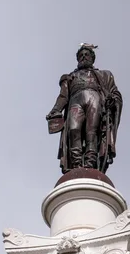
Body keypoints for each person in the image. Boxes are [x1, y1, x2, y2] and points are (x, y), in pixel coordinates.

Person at [46, 44, 123, 173]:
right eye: (81, 55)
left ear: (92, 58)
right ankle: (76, 164)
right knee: (73, 129)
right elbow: (63, 96)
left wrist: (113, 100)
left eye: (86, 55)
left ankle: (90, 163)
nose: (83, 57)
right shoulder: (70, 77)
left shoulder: (104, 75)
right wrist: (56, 110)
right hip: (75, 100)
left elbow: (114, 92)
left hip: (95, 98)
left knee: (91, 131)